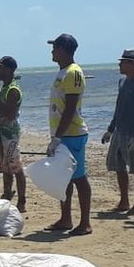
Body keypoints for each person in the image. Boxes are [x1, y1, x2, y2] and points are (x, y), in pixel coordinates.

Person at [45, 33, 93, 236]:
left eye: (55, 47)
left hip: (72, 133)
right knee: (63, 178)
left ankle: (85, 222)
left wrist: (58, 137)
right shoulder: (62, 72)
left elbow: (70, 108)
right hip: (62, 134)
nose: (52, 51)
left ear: (64, 50)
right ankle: (66, 218)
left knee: (79, 177)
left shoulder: (73, 72)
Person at [102, 48, 134, 216]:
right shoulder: (122, 82)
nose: (120, 64)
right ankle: (124, 200)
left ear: (132, 64)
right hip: (119, 130)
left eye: (123, 62)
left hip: (132, 132)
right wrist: (110, 129)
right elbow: (118, 107)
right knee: (118, 165)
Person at [0, 56, 26, 212]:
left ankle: (22, 201)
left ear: (8, 70)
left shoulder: (13, 90)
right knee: (5, 166)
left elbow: (9, 113)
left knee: (15, 166)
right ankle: (7, 194)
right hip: (2, 133)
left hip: (10, 134)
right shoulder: (3, 88)